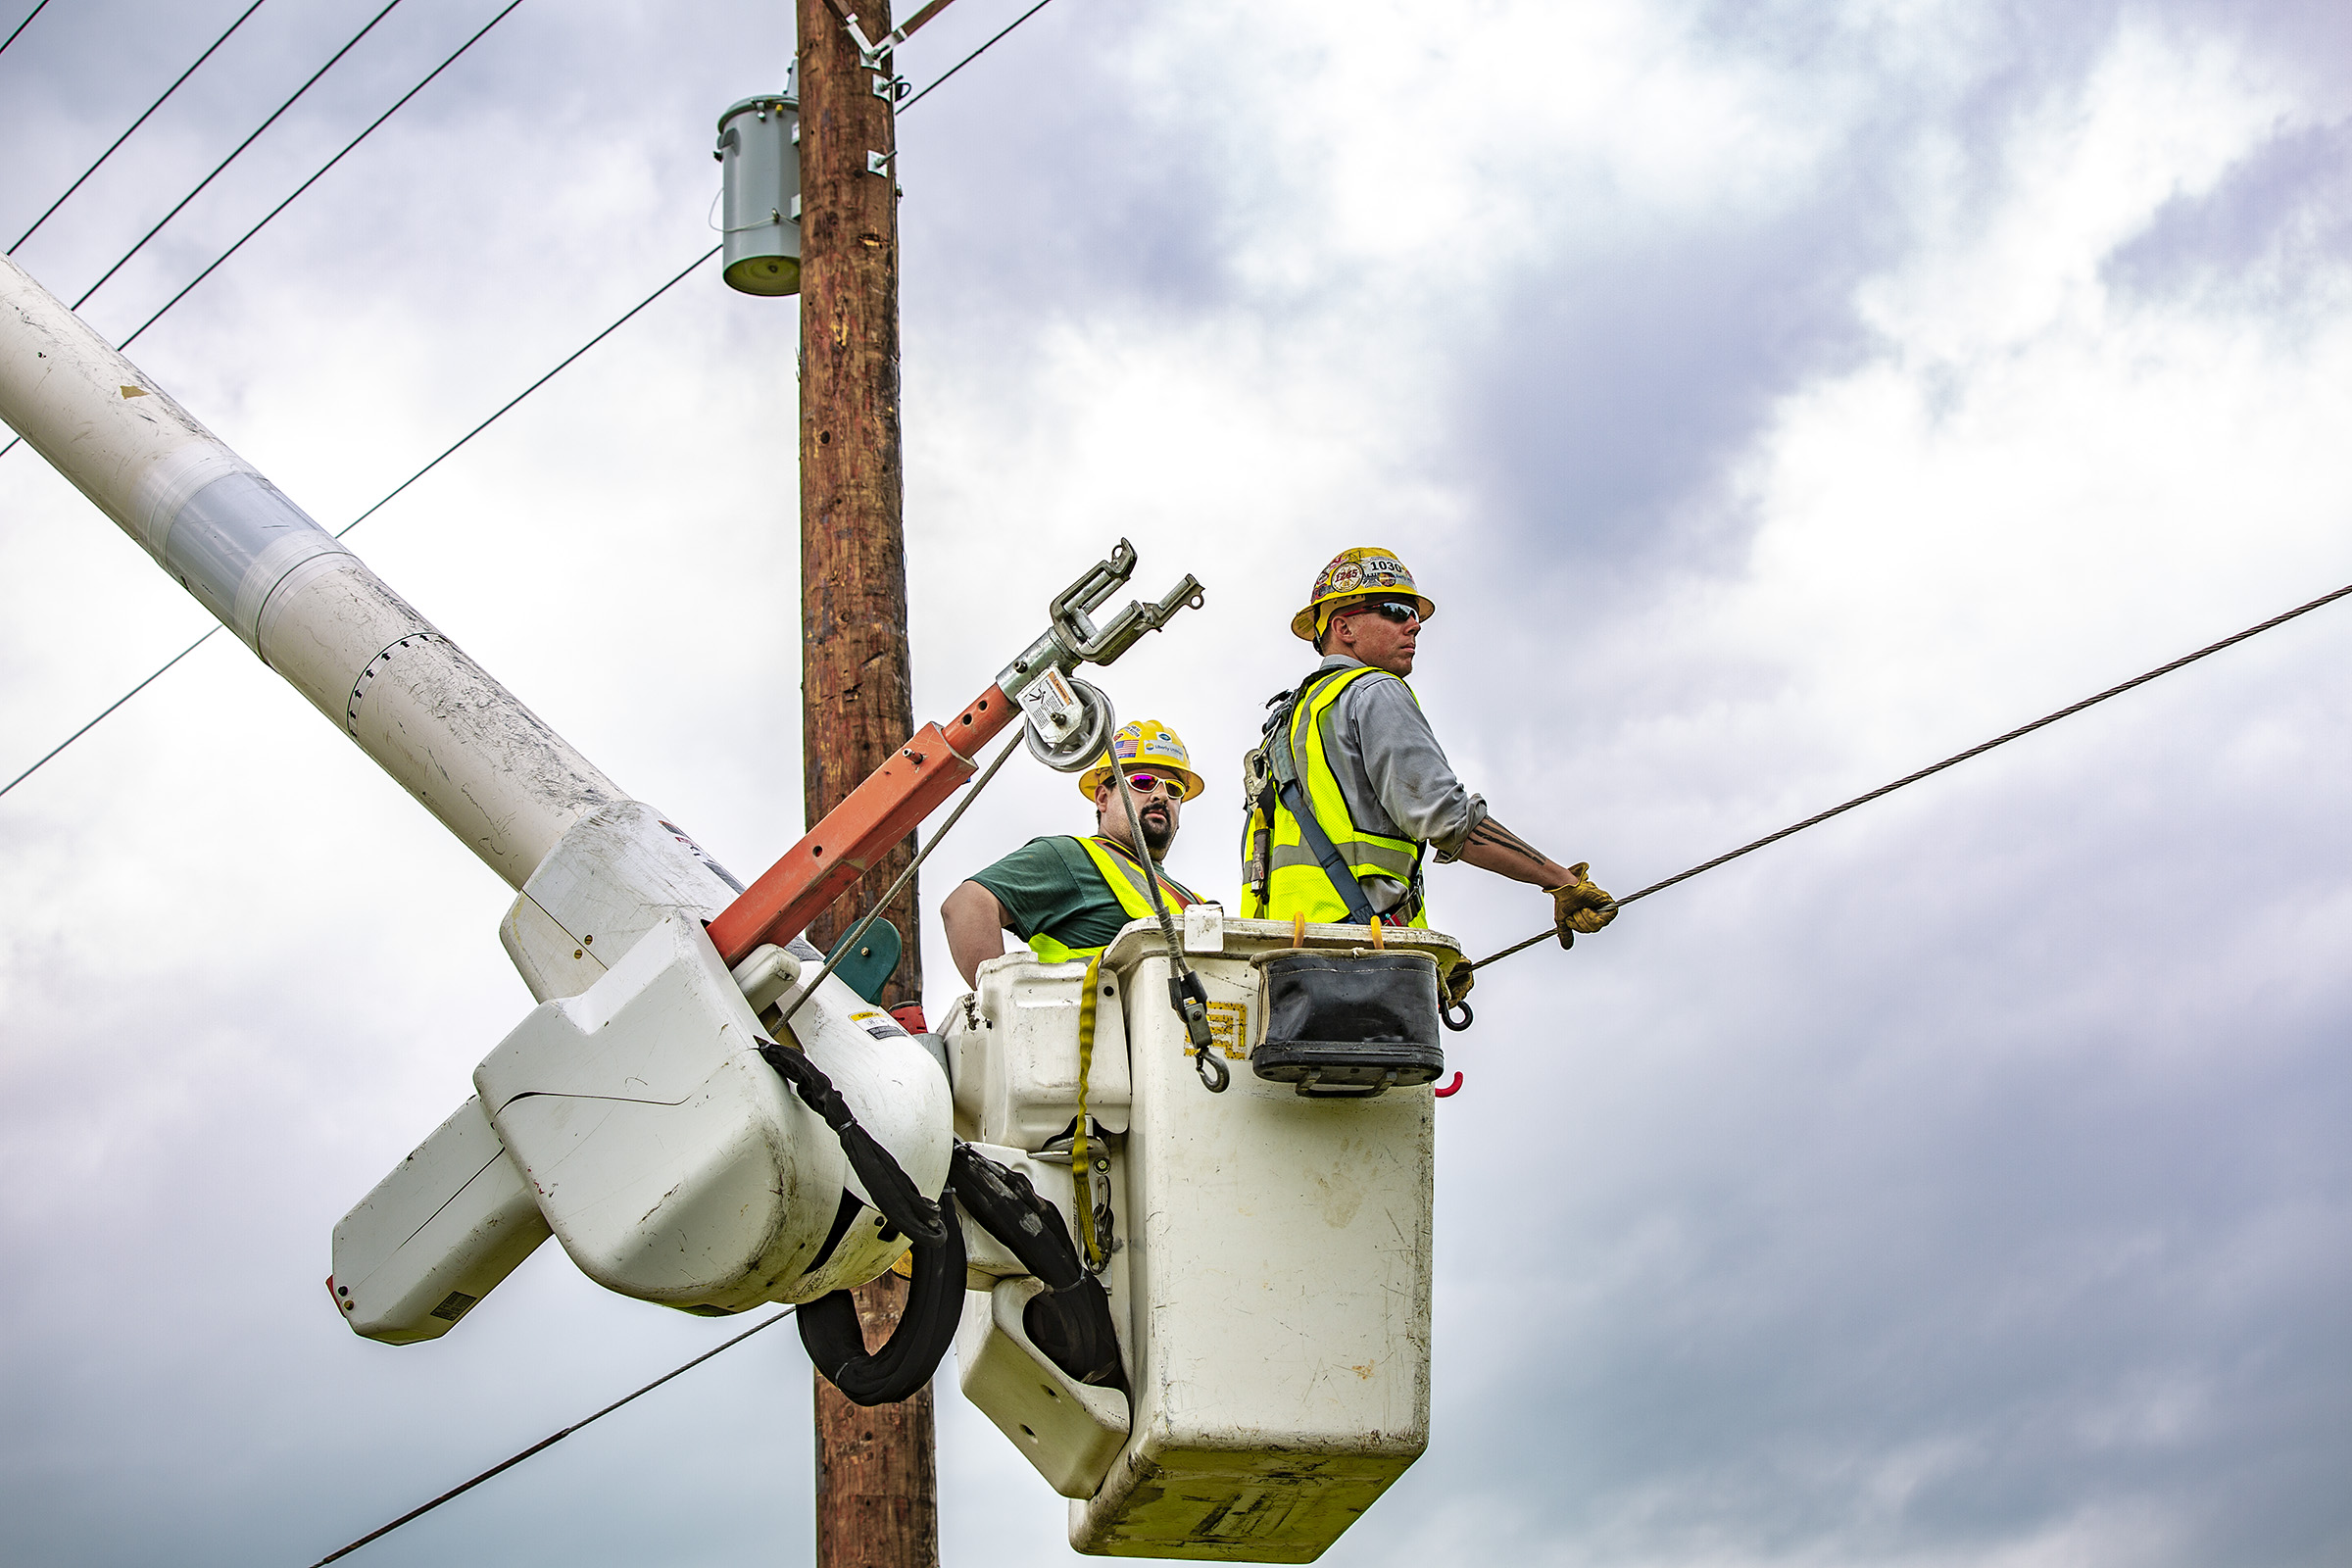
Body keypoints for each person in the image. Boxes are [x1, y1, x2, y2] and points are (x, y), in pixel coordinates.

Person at [1240, 548, 1616, 997]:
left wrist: (1427, 958)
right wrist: (1562, 883)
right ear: (1343, 627)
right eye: (1396, 611)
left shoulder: (1289, 724)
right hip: (1359, 962)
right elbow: (1449, 820)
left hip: (1285, 971)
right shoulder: (1373, 692)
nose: (1413, 625)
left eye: (1415, 614)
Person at [944, 719, 1207, 987]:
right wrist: (1001, 1007)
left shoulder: (1193, 903)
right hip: (1089, 1027)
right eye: (1143, 782)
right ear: (1103, 798)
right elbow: (967, 904)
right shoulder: (1073, 857)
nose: (1161, 795)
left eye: (1174, 789)